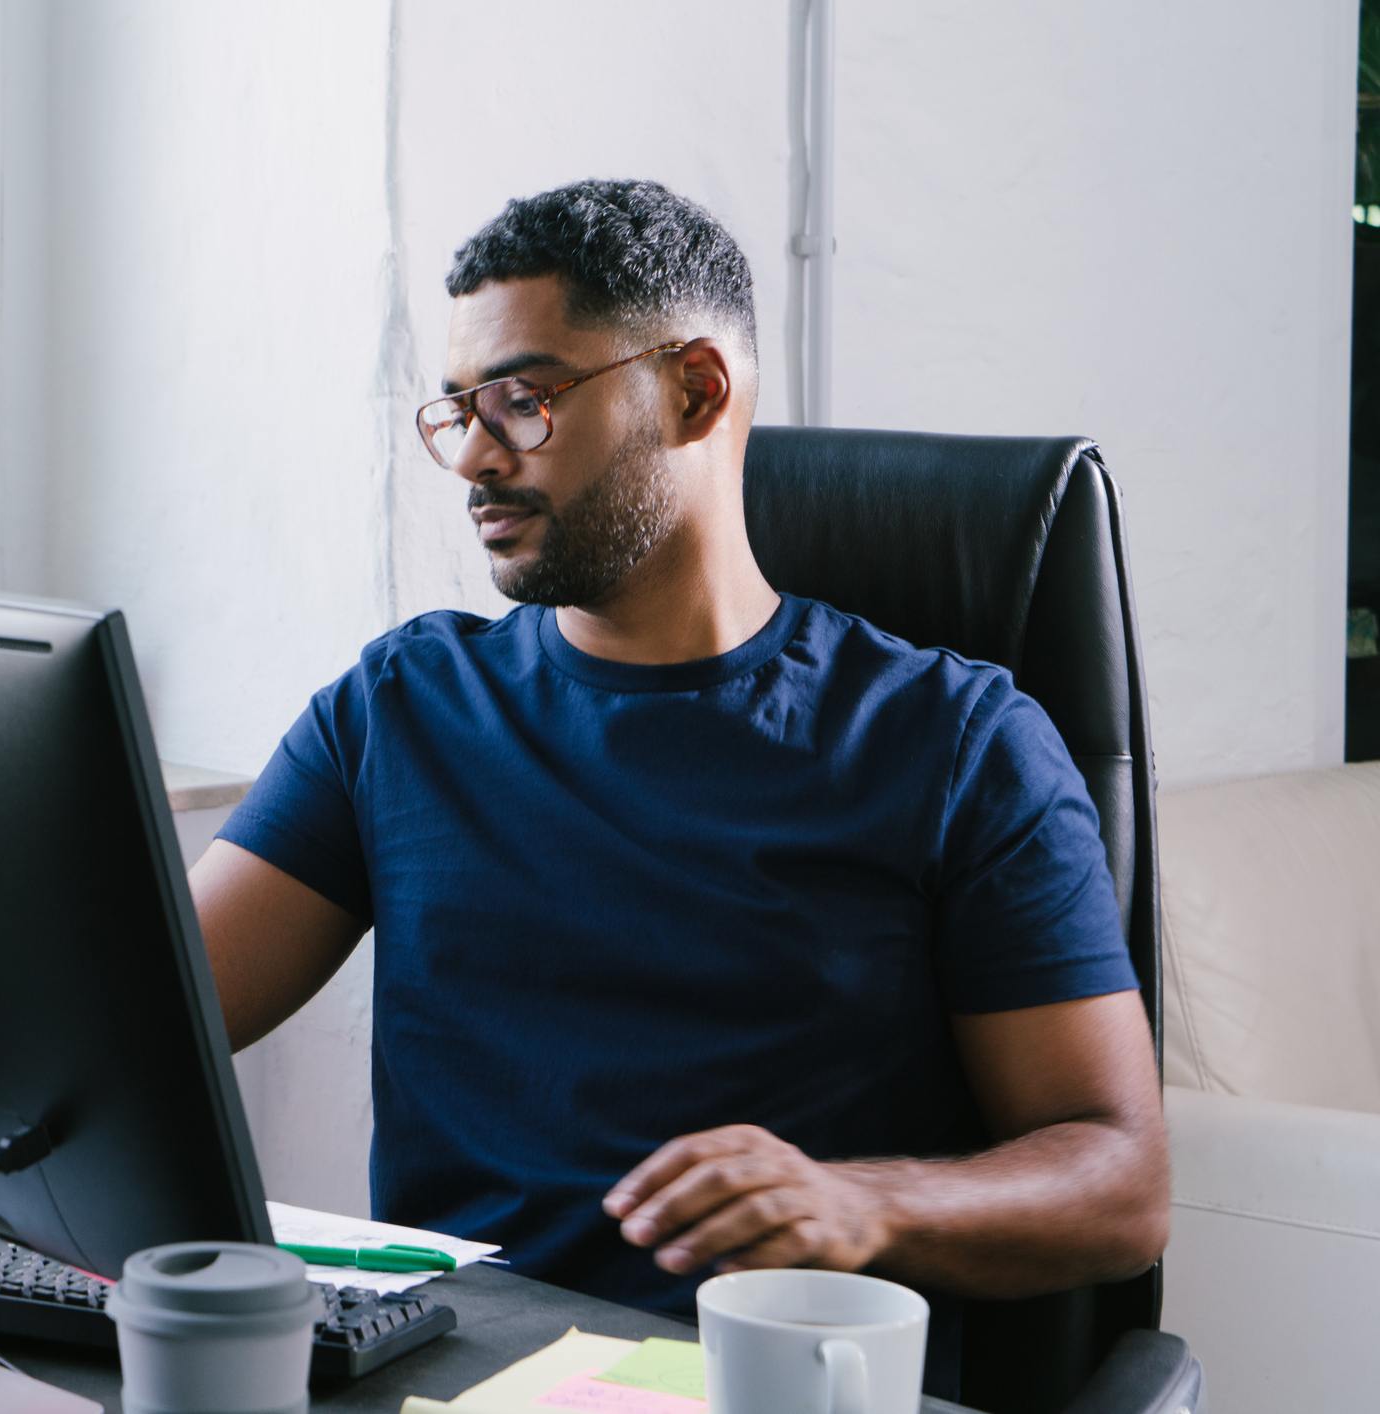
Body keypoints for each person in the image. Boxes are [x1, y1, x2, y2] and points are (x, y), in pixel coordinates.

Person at [188, 179, 1167, 1397]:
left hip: (750, 1378)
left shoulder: (952, 742)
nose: (477, 457)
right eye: (457, 409)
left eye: (524, 400)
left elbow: (1119, 1186)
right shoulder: (400, 707)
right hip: (439, 1376)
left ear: (693, 391)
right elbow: (148, 1007)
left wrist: (860, 1203)